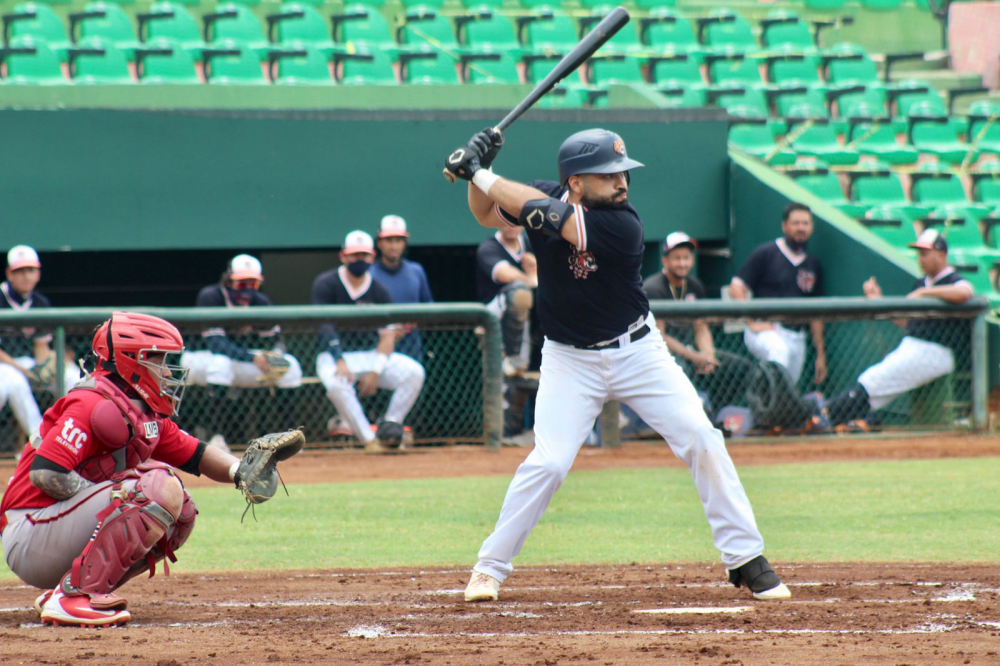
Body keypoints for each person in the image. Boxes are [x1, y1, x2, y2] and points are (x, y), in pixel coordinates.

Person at [445, 127, 790, 602]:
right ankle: (489, 568)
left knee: (702, 437)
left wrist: (481, 170)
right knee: (548, 463)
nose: (622, 181)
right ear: (576, 182)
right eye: (608, 174)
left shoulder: (622, 224)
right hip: (569, 360)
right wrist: (476, 173)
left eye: (623, 171)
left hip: (638, 353)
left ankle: (747, 559)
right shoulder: (543, 193)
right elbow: (486, 211)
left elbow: (545, 215)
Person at [0, 312, 296, 626]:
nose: (167, 370)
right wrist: (117, 498)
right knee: (153, 487)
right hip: (30, 530)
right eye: (159, 360)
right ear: (131, 360)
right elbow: (46, 473)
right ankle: (74, 597)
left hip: (54, 529)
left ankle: (69, 588)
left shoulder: (137, 408)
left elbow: (194, 452)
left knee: (181, 512)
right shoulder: (91, 402)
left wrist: (241, 471)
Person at [816, 229, 973, 430]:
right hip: (914, 346)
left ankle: (825, 415)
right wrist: (879, 301)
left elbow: (966, 292)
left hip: (937, 351)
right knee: (873, 384)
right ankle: (831, 417)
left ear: (941, 255)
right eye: (919, 254)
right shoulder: (921, 283)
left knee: (873, 382)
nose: (920, 259)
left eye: (925, 253)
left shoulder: (949, 280)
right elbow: (906, 323)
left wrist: (924, 293)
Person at [312, 230, 426, 453]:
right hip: (335, 355)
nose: (359, 260)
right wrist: (339, 360)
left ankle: (389, 426)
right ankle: (369, 439)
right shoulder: (326, 283)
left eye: (364, 255)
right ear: (343, 256)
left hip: (369, 354)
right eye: (354, 255)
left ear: (372, 257)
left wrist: (375, 371)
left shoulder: (379, 290)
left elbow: (388, 335)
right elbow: (324, 327)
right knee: (336, 384)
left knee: (414, 371)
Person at [180, 254, 303, 452]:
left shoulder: (261, 301)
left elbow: (276, 340)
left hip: (243, 359)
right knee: (221, 364)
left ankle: (289, 436)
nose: (247, 290)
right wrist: (253, 357)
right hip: (201, 358)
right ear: (229, 280)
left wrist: (276, 356)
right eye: (241, 283)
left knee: (291, 365)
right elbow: (216, 344)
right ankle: (215, 436)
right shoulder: (211, 296)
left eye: (253, 284)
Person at [728, 203, 827, 387]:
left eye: (805, 223)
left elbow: (816, 314)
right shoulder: (765, 253)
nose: (800, 228)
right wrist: (752, 322)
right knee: (778, 353)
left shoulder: (813, 264)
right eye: (795, 223)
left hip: (797, 335)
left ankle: (770, 413)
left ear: (811, 227)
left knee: (787, 390)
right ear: (784, 226)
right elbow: (736, 288)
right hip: (767, 329)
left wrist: (820, 353)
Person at [1, 245, 81, 450]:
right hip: (6, 365)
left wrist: (49, 363)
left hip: (27, 363)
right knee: (14, 380)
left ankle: (71, 437)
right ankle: (42, 444)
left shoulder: (40, 302)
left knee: (71, 375)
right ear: (9, 274)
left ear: (38, 273)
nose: (26, 276)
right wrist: (25, 371)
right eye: (20, 271)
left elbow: (41, 347)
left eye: (30, 270)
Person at [642, 232, 718, 374]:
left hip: (693, 349)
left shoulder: (695, 285)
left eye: (686, 258)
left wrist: (708, 355)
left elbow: (701, 326)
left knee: (738, 366)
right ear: (665, 261)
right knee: (680, 369)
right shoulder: (653, 287)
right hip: (662, 353)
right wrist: (695, 357)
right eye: (677, 258)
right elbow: (660, 335)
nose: (683, 263)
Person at [369, 214, 434, 361]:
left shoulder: (416, 270)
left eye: (398, 240)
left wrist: (409, 324)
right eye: (388, 240)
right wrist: (388, 329)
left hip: (411, 349)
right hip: (376, 350)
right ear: (379, 243)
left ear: (405, 243)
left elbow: (429, 308)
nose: (394, 246)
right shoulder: (369, 274)